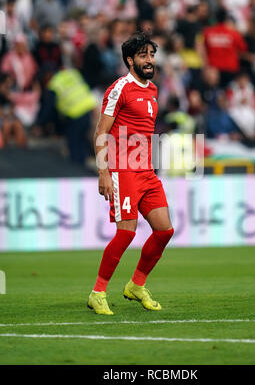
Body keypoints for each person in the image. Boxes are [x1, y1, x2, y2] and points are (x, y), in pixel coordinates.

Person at [88, 32, 174, 315]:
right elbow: (101, 131)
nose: (149, 61)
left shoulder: (152, 90)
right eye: (142, 56)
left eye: (151, 55)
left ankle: (136, 285)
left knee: (164, 230)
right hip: (122, 169)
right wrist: (103, 172)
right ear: (129, 60)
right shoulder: (119, 89)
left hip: (146, 170)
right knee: (126, 233)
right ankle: (98, 292)